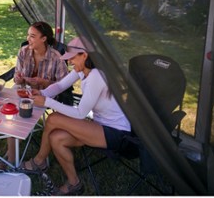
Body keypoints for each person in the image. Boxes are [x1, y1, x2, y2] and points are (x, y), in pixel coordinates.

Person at [20, 37, 131, 195]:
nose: (70, 62)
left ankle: (39, 161)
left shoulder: (97, 76)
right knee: (56, 137)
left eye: (72, 58)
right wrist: (43, 93)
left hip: (116, 133)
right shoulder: (82, 71)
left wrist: (47, 102)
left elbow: (80, 113)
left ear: (84, 55)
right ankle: (74, 183)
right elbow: (60, 85)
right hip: (99, 125)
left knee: (53, 118)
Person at [1, 21, 69, 168]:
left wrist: (44, 82)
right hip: (23, 89)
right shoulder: (23, 51)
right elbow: (17, 77)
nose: (28, 39)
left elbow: (64, 85)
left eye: (32, 36)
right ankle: (12, 150)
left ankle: (11, 156)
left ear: (44, 39)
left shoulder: (56, 57)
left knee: (19, 113)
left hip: (46, 94)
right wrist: (18, 78)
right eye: (28, 35)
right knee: (10, 111)